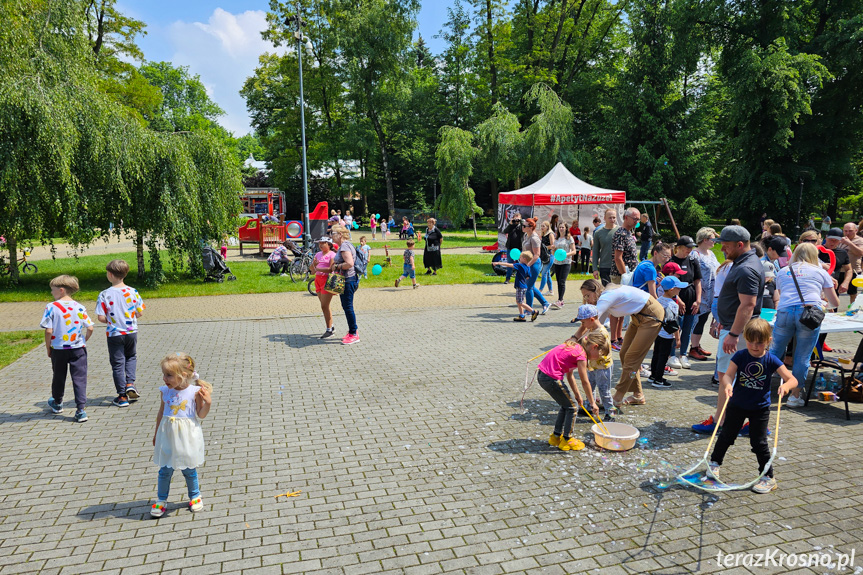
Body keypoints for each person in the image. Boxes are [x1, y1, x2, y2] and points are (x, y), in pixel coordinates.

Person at [709, 318, 797, 494]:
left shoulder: (771, 360)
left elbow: (792, 379)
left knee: (759, 443)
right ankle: (714, 464)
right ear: (745, 339)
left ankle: (768, 477)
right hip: (737, 404)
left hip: (760, 408)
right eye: (750, 342)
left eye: (759, 343)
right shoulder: (740, 356)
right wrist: (727, 385)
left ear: (768, 341)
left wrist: (785, 387)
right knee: (726, 435)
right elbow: (727, 375)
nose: (754, 346)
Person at [693, 225, 765, 434]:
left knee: (727, 376)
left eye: (725, 247)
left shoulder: (746, 268)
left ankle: (720, 422)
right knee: (745, 377)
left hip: (739, 332)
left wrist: (733, 334)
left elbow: (748, 304)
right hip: (736, 326)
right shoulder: (745, 262)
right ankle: (750, 423)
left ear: (740, 245)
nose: (722, 251)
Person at [771, 243, 839, 407]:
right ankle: (795, 395)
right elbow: (835, 302)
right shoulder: (820, 272)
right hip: (808, 314)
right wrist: (822, 304)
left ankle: (759, 387)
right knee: (802, 356)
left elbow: (782, 294)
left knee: (774, 351)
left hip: (785, 312)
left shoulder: (783, 271)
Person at [578, 279, 664, 406]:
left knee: (632, 358)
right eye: (584, 297)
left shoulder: (606, 297)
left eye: (588, 296)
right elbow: (596, 324)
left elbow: (592, 320)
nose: (587, 300)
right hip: (638, 316)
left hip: (651, 315)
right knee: (624, 354)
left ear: (595, 291)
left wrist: (575, 339)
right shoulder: (604, 298)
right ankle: (638, 395)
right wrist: (579, 341)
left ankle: (617, 398)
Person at [150, 353, 213, 517]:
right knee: (164, 470)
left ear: (183, 375)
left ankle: (195, 496)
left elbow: (201, 414)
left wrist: (208, 402)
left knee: (188, 469)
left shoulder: (195, 391)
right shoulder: (165, 391)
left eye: (169, 375)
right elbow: (160, 413)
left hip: (187, 437)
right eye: (164, 374)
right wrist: (156, 433)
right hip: (168, 435)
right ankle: (161, 499)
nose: (165, 378)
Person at [536, 332, 605, 451]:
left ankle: (556, 437)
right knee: (573, 408)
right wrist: (592, 403)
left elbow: (570, 376)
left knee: (567, 405)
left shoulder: (575, 348)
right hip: (551, 378)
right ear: (594, 347)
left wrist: (578, 395)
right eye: (600, 353)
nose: (599, 356)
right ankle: (567, 440)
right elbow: (585, 381)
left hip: (543, 375)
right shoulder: (581, 355)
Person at [42, 275, 95, 423]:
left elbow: (48, 331)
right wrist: (83, 340)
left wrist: (48, 348)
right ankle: (81, 410)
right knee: (79, 378)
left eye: (52, 290)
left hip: (58, 349)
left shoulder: (51, 307)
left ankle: (58, 403)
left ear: (61, 290)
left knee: (58, 376)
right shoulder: (79, 307)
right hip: (78, 348)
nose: (51, 294)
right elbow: (90, 327)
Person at [96, 260, 145, 407]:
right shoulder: (133, 291)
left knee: (118, 364)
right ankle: (130, 383)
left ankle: (122, 396)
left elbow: (101, 317)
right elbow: (140, 312)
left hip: (114, 334)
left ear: (110, 275)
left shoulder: (104, 294)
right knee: (131, 357)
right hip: (131, 332)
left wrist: (112, 321)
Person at [572, 305, 617, 420]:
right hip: (592, 366)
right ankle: (589, 408)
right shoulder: (592, 328)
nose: (582, 325)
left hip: (603, 367)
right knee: (590, 386)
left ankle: (611, 413)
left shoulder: (601, 333)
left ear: (591, 320)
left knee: (604, 391)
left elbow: (601, 352)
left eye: (583, 322)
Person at [666, 236, 702, 370]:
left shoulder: (693, 260)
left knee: (687, 329)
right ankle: (671, 355)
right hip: (676, 298)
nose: (690, 250)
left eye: (691, 247)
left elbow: (698, 281)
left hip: (691, 297)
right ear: (679, 247)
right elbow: (668, 283)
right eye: (687, 247)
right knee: (675, 327)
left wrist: (698, 300)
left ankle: (683, 354)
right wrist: (678, 300)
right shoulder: (671, 261)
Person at [648, 276, 685, 389]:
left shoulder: (658, 300)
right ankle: (658, 379)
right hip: (667, 335)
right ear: (671, 289)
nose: (680, 290)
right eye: (678, 288)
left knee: (656, 355)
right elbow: (674, 324)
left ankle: (653, 375)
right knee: (663, 357)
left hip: (658, 333)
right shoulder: (673, 305)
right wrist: (678, 338)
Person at [689, 228, 719, 361]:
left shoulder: (711, 253)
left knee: (703, 319)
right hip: (700, 293)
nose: (715, 242)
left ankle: (697, 344)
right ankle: (693, 348)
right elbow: (693, 276)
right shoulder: (695, 254)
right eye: (712, 239)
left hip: (711, 293)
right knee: (698, 320)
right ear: (705, 239)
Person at [329, 226, 360, 345]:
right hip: (346, 279)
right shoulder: (345, 245)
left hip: (348, 280)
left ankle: (354, 333)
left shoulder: (345, 246)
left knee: (348, 307)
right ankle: (352, 330)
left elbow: (349, 263)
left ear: (340, 235)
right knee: (346, 306)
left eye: (333, 233)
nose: (331, 235)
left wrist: (337, 266)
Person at [494, 252, 540, 322]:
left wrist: (498, 263)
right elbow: (528, 277)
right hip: (524, 286)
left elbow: (509, 265)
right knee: (518, 301)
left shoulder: (520, 265)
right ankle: (521, 316)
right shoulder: (528, 267)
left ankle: (533, 311)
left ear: (524, 259)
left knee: (520, 302)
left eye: (520, 257)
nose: (519, 258)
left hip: (520, 286)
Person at [521, 218, 551, 314]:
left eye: (524, 226)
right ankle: (545, 303)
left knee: (528, 287)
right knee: (531, 286)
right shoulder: (527, 235)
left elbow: (536, 254)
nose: (522, 227)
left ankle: (529, 310)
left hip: (534, 264)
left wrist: (527, 266)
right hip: (527, 264)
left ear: (530, 228)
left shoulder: (534, 238)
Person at [312, 237, 337, 338]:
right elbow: (312, 271)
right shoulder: (318, 254)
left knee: (324, 306)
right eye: (320, 243)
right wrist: (313, 265)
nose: (321, 245)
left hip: (327, 281)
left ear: (329, 244)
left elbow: (331, 269)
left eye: (323, 243)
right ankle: (331, 326)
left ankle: (329, 330)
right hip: (318, 280)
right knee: (324, 306)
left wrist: (318, 267)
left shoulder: (332, 255)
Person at [836, 222, 863, 304]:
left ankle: (852, 310)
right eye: (845, 231)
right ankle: (834, 310)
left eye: (850, 231)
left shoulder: (860, 240)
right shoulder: (840, 239)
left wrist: (849, 243)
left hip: (853, 270)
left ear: (856, 230)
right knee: (835, 291)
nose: (848, 233)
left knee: (852, 293)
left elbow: (860, 253)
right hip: (839, 270)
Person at [552, 222, 577, 308]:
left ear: (566, 228)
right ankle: (559, 299)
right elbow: (553, 252)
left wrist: (566, 254)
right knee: (559, 281)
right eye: (560, 227)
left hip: (566, 262)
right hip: (557, 262)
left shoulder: (569, 238)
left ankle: (560, 300)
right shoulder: (557, 239)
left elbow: (574, 251)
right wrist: (553, 249)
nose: (561, 229)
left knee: (562, 281)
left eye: (563, 227)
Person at [592, 208, 618, 286]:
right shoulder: (598, 233)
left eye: (614, 217)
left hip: (618, 267)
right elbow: (595, 251)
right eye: (610, 217)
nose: (612, 219)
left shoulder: (620, 231)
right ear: (604, 218)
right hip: (605, 266)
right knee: (607, 291)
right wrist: (595, 269)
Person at [824, 228, 853, 296]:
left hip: (833, 288)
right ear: (826, 237)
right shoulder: (816, 250)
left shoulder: (842, 253)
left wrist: (846, 282)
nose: (832, 242)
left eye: (836, 240)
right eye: (831, 240)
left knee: (833, 306)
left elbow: (849, 269)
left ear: (840, 240)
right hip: (817, 287)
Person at [502, 212, 525, 284]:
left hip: (519, 247)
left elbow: (524, 230)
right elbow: (505, 231)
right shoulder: (511, 226)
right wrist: (511, 223)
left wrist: (521, 222)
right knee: (509, 263)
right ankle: (507, 278)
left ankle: (520, 279)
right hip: (510, 247)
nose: (516, 220)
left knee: (519, 263)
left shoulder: (522, 226)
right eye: (515, 218)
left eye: (518, 218)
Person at [538, 221, 556, 296]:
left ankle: (540, 290)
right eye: (541, 226)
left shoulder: (550, 234)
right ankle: (551, 290)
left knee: (544, 272)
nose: (542, 227)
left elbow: (553, 245)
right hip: (545, 256)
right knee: (547, 273)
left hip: (550, 255)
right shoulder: (543, 235)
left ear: (547, 227)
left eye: (543, 226)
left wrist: (544, 247)